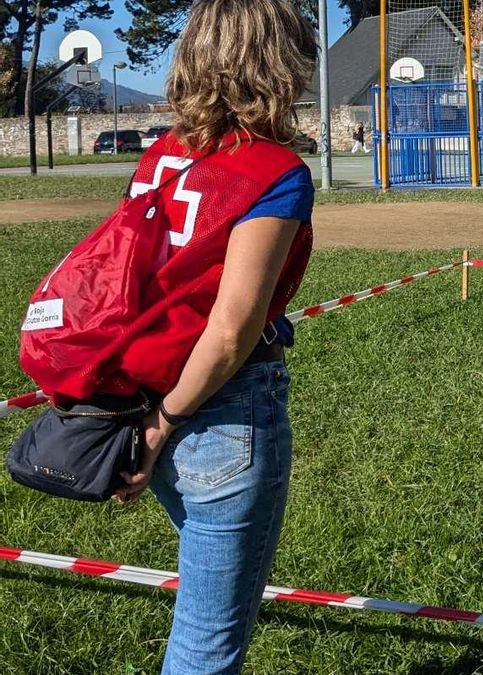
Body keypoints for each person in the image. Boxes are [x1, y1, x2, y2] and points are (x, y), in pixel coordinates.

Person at [109, 1, 318, 672]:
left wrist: (149, 415)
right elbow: (231, 333)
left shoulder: (160, 157)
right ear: (279, 60)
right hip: (219, 415)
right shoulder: (275, 172)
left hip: (149, 393)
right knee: (206, 649)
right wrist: (165, 423)